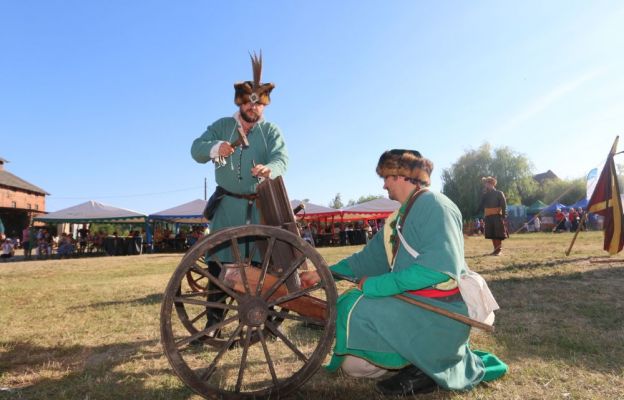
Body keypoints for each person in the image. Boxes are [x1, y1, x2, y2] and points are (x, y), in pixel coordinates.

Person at [300, 149, 507, 396]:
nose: (384, 184)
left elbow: (437, 270)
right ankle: (411, 359)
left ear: (403, 175)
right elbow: (365, 261)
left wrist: (377, 286)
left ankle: (429, 362)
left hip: (441, 313)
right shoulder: (398, 218)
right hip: (414, 303)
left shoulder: (437, 206)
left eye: (387, 176)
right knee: (353, 367)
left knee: (356, 305)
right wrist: (324, 274)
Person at [190, 52, 288, 340]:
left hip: (260, 208)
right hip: (228, 208)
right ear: (240, 103)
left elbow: (281, 158)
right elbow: (195, 149)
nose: (252, 108)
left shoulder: (270, 131)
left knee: (263, 267)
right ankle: (212, 328)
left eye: (257, 105)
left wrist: (270, 168)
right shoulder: (222, 126)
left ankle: (266, 326)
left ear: (263, 107)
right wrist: (216, 147)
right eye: (247, 103)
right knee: (218, 266)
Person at [478, 176, 508, 255]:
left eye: (487, 183)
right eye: (485, 184)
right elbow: (481, 204)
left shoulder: (499, 193)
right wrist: (483, 195)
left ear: (492, 184)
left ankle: (499, 250)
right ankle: (495, 250)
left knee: (498, 233)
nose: (486, 185)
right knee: (492, 234)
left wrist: (504, 215)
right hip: (488, 216)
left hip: (497, 216)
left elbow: (504, 205)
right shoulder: (486, 194)